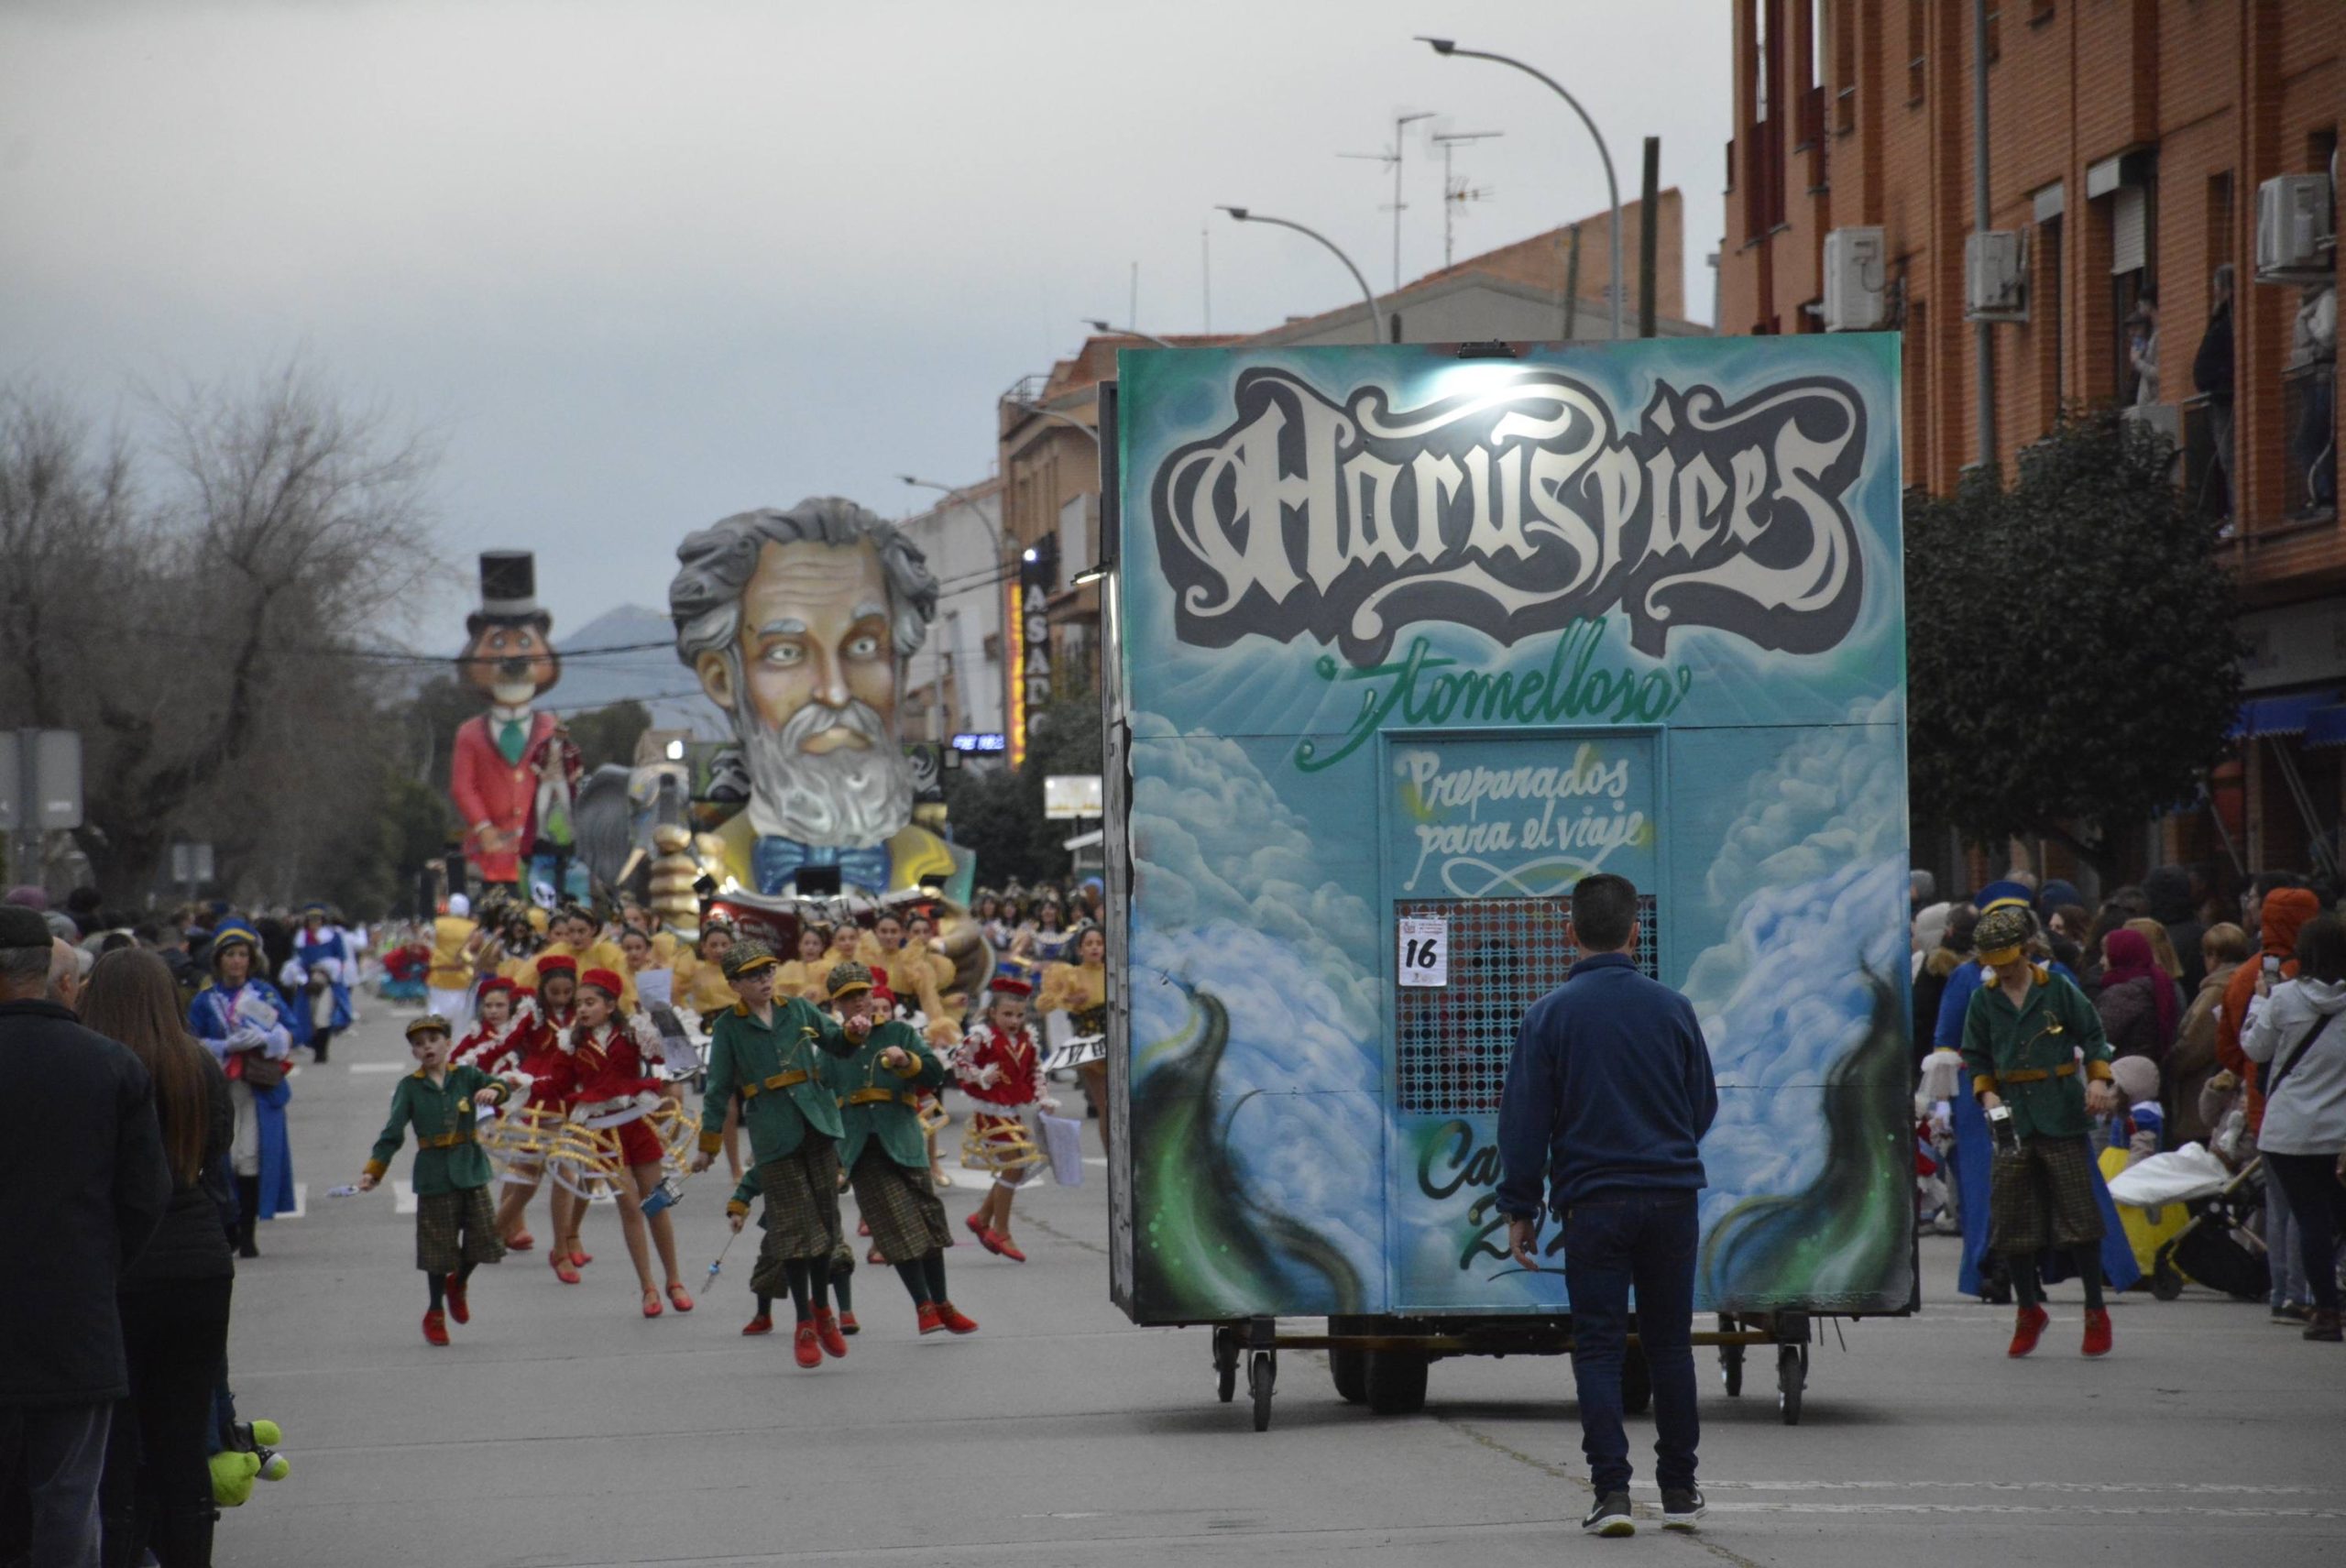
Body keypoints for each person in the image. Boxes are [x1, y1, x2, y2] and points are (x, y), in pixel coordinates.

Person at [1492, 873, 1715, 1540]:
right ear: (1635, 933)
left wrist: (1520, 1206)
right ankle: (1680, 1488)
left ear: (1570, 933)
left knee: (1598, 1348)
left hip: (1593, 1202)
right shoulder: (1674, 1009)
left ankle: (1611, 1492)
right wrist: (1665, 1147)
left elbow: (1524, 1122)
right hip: (1672, 1198)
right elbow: (1702, 1103)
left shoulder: (1548, 1016)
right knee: (1670, 1345)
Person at [0, 905, 170, 1568]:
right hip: (75, 1317)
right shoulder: (110, 1065)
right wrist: (99, 1264)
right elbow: (144, 1195)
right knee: (69, 1497)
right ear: (57, 979)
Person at [79, 948, 235, 1568]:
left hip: (121, 1265)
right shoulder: (196, 1063)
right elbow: (216, 1151)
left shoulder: (94, 1065)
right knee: (184, 1435)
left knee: (119, 1441)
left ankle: (126, 1550)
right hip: (197, 1258)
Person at [1960, 904, 2120, 1359]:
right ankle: (2028, 1308)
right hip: (2009, 1114)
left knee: (2079, 1212)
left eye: (2008, 962)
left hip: (2059, 1109)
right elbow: (1976, 1056)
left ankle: (2095, 1308)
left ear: (2027, 951)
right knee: (2011, 1215)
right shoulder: (1984, 1000)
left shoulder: (2058, 988)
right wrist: (1987, 1095)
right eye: (1994, 965)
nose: (2002, 972)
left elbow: (2093, 1036)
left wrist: (2097, 1080)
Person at [690, 940, 859, 1368]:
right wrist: (708, 1145)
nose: (764, 980)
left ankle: (823, 1310)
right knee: (794, 1233)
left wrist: (854, 1032)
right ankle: (804, 1322)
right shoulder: (729, 1027)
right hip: (773, 1134)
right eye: (753, 976)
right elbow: (718, 1089)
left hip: (818, 1124)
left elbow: (837, 1043)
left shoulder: (799, 1009)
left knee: (825, 1226)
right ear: (734, 985)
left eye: (767, 971)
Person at [819, 963, 976, 1336]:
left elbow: (934, 1075)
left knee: (928, 1221)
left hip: (904, 1139)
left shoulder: (899, 1032)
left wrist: (908, 1062)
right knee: (895, 1223)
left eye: (862, 994)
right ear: (836, 1005)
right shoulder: (831, 1045)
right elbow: (819, 1096)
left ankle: (943, 1303)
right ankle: (923, 1305)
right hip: (861, 1147)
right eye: (848, 998)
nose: (858, 1002)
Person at [356, 1015, 514, 1344]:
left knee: (485, 1237)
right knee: (438, 1248)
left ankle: (459, 1282)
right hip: (434, 1173)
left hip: (470, 1167)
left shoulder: (467, 1076)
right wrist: (374, 1171)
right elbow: (392, 1132)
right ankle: (434, 1310)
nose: (427, 1047)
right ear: (414, 1052)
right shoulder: (410, 1087)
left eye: (433, 1040)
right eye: (419, 1044)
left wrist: (492, 1091)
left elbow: (503, 1087)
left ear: (448, 1044)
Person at [2217, 880, 2322, 1320]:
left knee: (2279, 1206)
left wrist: (2251, 1072)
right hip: (2319, 1103)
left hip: (2264, 1100)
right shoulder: (2320, 979)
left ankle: (2281, 1290)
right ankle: (2303, 1291)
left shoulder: (2246, 975)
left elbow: (2229, 1047)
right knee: (2309, 1206)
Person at [2240, 913, 2346, 1342]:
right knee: (2335, 1215)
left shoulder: (2284, 999)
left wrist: (2259, 1002)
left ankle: (2325, 1310)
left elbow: (2254, 1047)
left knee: (2309, 1217)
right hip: (2340, 1128)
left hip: (2289, 1128)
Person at [563, 968, 692, 1318]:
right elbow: (557, 1083)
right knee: (630, 1207)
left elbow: (666, 1057)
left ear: (610, 1005)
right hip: (603, 1132)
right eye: (579, 1004)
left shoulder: (634, 1031)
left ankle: (674, 1280)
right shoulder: (572, 1042)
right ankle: (648, 1286)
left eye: (590, 1002)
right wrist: (513, 1087)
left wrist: (659, 1017)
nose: (583, 1009)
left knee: (656, 1202)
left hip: (638, 1122)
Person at [186, 923, 296, 1259]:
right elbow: (190, 1041)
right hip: (220, 1089)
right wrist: (224, 1046)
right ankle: (228, 1224)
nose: (237, 961)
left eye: (243, 955)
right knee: (223, 1159)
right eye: (230, 955)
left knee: (249, 1158)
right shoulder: (206, 1000)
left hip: (256, 1088)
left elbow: (291, 1030)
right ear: (218, 960)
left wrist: (267, 1038)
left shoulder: (264, 994)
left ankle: (248, 1232)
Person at [490, 959, 584, 1277]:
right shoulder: (531, 1014)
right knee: (527, 1179)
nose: (561, 998)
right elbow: (502, 1043)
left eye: (567, 992)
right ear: (543, 989)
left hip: (569, 1096)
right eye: (554, 992)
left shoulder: (582, 1012)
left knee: (565, 1173)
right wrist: (477, 1073)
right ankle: (490, 1235)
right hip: (536, 1098)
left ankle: (562, 1250)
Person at [957, 967, 1054, 1264]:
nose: (1014, 1021)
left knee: (1016, 1167)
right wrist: (981, 1075)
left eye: (1019, 1015)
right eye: (1007, 1014)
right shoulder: (982, 1037)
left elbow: (1035, 1072)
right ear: (993, 1013)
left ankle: (982, 1218)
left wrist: (1043, 1097)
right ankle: (1000, 1230)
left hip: (1011, 1112)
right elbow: (959, 1063)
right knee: (1015, 1165)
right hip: (989, 1111)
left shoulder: (1027, 1040)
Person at [2173, 922, 2253, 1147]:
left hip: (2205, 1088)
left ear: (2214, 956)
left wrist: (2170, 1066)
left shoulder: (2216, 991)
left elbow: (2195, 1044)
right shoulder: (2246, 983)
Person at [1039, 922, 1111, 1152]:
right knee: (1106, 1106)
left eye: (1099, 943)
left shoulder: (1115, 972)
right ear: (1080, 949)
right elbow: (1043, 1005)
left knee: (1124, 1105)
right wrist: (1068, 1000)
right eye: (1089, 944)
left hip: (1117, 1042)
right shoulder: (1072, 975)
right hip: (1090, 1046)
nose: (1095, 948)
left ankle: (1127, 1156)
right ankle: (1112, 1157)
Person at [2093, 926, 2180, 1065]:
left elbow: (2098, 1037)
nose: (2101, 961)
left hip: (2120, 1068)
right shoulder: (2159, 984)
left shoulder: (2124, 994)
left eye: (2106, 955)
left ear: (2121, 956)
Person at [425, 894, 479, 1025]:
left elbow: (426, 937)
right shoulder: (472, 926)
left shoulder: (438, 923)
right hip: (463, 976)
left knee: (436, 1012)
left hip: (439, 975)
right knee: (462, 1017)